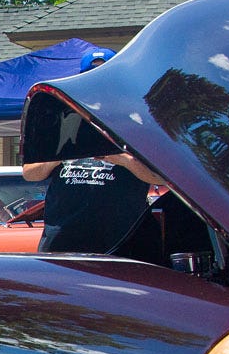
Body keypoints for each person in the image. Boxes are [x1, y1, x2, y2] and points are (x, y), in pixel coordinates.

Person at [23, 48, 169, 255]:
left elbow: (159, 177)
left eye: (103, 78)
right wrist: (60, 155)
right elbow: (30, 173)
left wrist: (122, 159)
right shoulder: (60, 119)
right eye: (90, 79)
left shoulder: (135, 121)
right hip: (63, 235)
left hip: (121, 237)